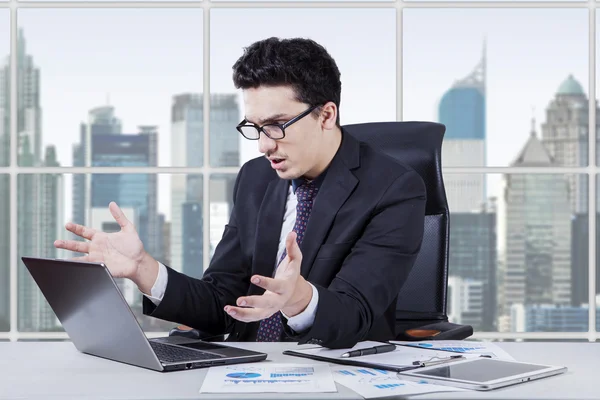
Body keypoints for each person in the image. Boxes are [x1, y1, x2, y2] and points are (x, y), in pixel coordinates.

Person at [54, 37, 426, 349]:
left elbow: (355, 316)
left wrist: (299, 299)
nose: (264, 145)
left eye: (277, 125)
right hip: (247, 366)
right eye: (255, 127)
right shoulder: (256, 178)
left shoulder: (394, 189)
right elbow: (221, 302)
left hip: (332, 373)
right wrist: (144, 270)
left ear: (326, 115)